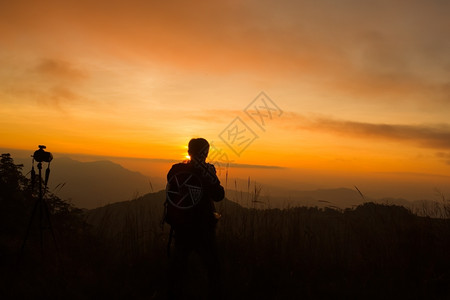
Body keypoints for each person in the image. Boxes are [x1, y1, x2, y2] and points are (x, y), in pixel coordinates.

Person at [166, 138, 225, 299]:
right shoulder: (207, 171)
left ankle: (174, 293)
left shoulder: (176, 170)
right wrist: (207, 174)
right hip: (203, 226)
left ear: (188, 151)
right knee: (212, 266)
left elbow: (172, 187)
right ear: (205, 153)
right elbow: (219, 195)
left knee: (179, 264)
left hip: (182, 225)